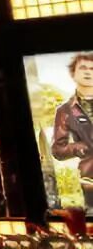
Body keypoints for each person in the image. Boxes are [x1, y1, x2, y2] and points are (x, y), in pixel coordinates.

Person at [52, 52, 93, 209]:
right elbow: (57, 149)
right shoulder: (65, 110)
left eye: (92, 68)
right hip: (90, 180)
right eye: (83, 68)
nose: (88, 72)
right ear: (73, 74)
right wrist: (82, 147)